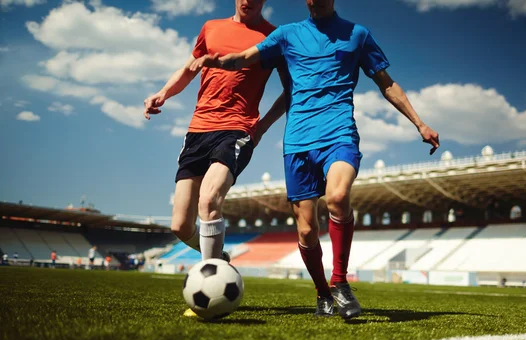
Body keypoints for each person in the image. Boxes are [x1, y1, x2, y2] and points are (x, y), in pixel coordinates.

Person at [193, 0, 440, 319]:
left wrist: (419, 122)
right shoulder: (286, 34)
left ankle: (340, 282)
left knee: (338, 197)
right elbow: (247, 57)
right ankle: (322, 292)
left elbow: (386, 83)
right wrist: (221, 62)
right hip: (297, 141)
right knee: (307, 231)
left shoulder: (358, 34)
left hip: (339, 132)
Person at [144, 0, 287, 267]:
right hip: (198, 129)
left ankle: (211, 277)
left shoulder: (274, 38)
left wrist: (260, 129)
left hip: (237, 128)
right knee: (180, 226)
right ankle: (218, 257)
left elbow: (290, 91)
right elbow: (188, 70)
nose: (248, 1)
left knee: (209, 199)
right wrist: (163, 92)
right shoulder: (210, 28)